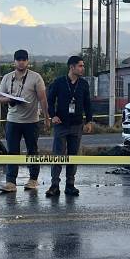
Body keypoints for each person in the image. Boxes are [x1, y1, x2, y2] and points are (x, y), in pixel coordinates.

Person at [0, 49, 49, 193]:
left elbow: (42, 98)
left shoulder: (35, 77)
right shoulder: (7, 78)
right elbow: (0, 97)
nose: (21, 62)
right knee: (12, 151)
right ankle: (10, 182)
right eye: (18, 59)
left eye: (24, 59)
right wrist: (9, 99)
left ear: (28, 61)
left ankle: (33, 179)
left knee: (32, 150)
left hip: (31, 121)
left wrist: (46, 117)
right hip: (13, 120)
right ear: (14, 61)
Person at [45, 55, 94, 197]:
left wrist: (89, 121)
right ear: (71, 67)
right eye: (80, 66)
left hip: (77, 125)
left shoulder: (83, 84)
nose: (82, 68)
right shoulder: (59, 82)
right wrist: (52, 115)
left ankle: (70, 185)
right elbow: (50, 99)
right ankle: (54, 185)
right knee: (58, 156)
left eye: (83, 66)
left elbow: (87, 104)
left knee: (73, 156)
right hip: (61, 124)